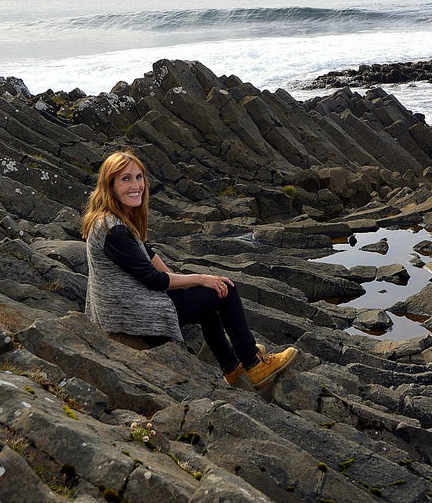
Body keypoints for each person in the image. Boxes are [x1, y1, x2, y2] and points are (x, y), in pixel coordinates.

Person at [81, 150, 296, 389]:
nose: (136, 185)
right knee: (226, 290)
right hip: (132, 314)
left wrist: (190, 283)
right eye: (126, 179)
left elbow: (148, 254)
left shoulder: (112, 219)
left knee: (209, 297)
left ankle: (232, 367)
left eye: (139, 177)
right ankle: (254, 365)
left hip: (126, 304)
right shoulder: (114, 230)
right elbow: (154, 280)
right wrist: (201, 278)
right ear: (109, 185)